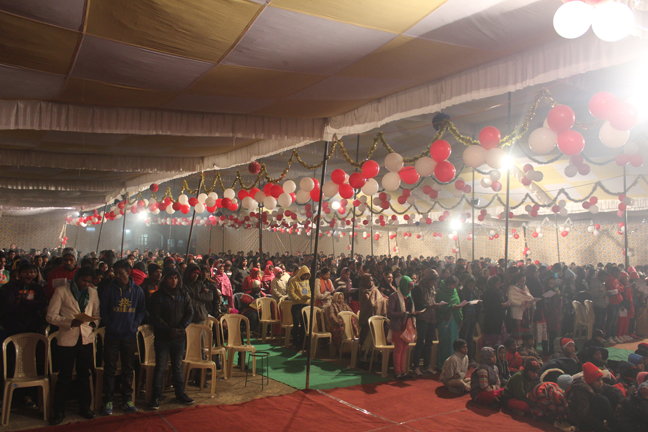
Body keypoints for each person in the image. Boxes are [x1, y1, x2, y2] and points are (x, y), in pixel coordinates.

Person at [46, 266, 99, 425]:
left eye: (89, 282)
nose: (86, 284)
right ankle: (59, 410)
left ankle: (85, 407)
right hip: (67, 338)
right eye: (83, 280)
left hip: (85, 338)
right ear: (76, 278)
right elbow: (51, 316)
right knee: (64, 376)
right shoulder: (62, 291)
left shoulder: (93, 293)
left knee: (84, 375)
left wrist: (93, 324)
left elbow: (96, 314)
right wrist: (69, 322)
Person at [99, 259, 146, 415]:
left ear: (128, 273)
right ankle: (108, 400)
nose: (117, 276)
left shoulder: (137, 291)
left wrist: (135, 324)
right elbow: (103, 310)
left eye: (120, 273)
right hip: (112, 335)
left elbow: (141, 310)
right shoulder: (109, 290)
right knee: (110, 368)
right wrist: (110, 324)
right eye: (115, 273)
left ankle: (127, 399)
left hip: (129, 335)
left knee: (128, 368)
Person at [147, 267, 195, 409]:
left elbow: (189, 313)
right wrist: (168, 329)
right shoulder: (157, 296)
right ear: (165, 279)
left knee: (177, 366)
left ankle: (180, 393)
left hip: (178, 337)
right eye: (170, 278)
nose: (173, 281)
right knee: (160, 367)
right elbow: (154, 316)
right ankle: (156, 396)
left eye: (176, 278)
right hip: (163, 337)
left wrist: (180, 328)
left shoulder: (183, 294)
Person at [567, 362, 621, 432]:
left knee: (612, 394)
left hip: (591, 415)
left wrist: (620, 402)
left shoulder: (598, 384)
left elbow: (616, 390)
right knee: (602, 400)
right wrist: (601, 425)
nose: (601, 382)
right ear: (590, 381)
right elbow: (584, 415)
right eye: (598, 380)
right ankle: (613, 426)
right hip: (579, 421)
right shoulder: (581, 391)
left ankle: (614, 423)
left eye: (601, 379)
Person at [387, 276, 419, 380]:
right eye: (408, 288)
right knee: (398, 349)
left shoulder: (409, 297)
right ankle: (398, 372)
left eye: (411, 288)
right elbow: (390, 313)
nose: (409, 290)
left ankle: (403, 371)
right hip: (398, 325)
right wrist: (403, 314)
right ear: (404, 286)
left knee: (404, 349)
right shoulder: (394, 297)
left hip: (408, 326)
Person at [410, 271, 438, 376]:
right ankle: (416, 366)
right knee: (420, 342)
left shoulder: (432, 288)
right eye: (432, 281)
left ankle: (427, 365)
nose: (433, 283)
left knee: (429, 343)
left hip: (432, 318)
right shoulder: (418, 288)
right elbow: (417, 303)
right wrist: (429, 306)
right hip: (422, 317)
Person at [435, 276, 463, 370]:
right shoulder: (440, 292)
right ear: (448, 284)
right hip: (445, 319)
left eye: (456, 285)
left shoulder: (454, 291)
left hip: (454, 319)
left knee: (454, 342)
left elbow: (457, 301)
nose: (455, 287)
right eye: (453, 285)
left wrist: (458, 307)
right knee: (445, 342)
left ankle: (454, 365)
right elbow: (439, 307)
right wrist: (451, 306)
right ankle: (443, 365)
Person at [357, 274, 388, 351]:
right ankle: (364, 354)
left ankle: (374, 354)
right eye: (368, 281)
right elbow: (370, 304)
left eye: (371, 280)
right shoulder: (363, 291)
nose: (370, 283)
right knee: (367, 337)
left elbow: (381, 300)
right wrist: (380, 301)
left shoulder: (375, 290)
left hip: (377, 316)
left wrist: (382, 301)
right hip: (366, 317)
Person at [287, 266, 311, 348]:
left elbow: (309, 291)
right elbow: (291, 292)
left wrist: (308, 297)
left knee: (304, 324)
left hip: (305, 305)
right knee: (296, 323)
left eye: (307, 275)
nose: (306, 277)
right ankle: (295, 341)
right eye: (304, 275)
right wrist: (298, 299)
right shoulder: (293, 280)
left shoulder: (307, 281)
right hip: (296, 305)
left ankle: (302, 342)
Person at [481, 276, 509, 348]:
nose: (498, 286)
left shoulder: (500, 292)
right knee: (492, 340)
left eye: (499, 284)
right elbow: (489, 306)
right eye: (497, 284)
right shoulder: (487, 293)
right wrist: (500, 305)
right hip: (491, 320)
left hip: (500, 319)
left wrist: (506, 304)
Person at [507, 273, 534, 344]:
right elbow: (511, 300)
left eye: (525, 281)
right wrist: (521, 303)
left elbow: (530, 296)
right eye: (522, 281)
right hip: (517, 313)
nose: (524, 283)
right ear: (517, 280)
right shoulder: (512, 288)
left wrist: (531, 301)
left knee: (526, 332)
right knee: (518, 333)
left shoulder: (525, 287)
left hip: (526, 312)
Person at [458, 275, 479, 361]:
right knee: (464, 337)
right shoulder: (462, 291)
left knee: (470, 337)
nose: (471, 287)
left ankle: (470, 357)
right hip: (465, 315)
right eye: (470, 286)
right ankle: (462, 356)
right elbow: (462, 303)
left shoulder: (474, 291)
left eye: (473, 286)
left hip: (472, 315)